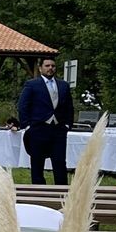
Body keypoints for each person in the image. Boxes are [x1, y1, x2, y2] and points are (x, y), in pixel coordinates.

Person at [16, 54, 73, 184]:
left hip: (58, 130)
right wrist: (27, 126)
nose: (50, 68)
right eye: (47, 66)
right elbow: (23, 105)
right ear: (40, 68)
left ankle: (62, 191)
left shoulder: (63, 85)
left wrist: (67, 125)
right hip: (38, 129)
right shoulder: (32, 84)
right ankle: (38, 191)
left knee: (59, 162)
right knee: (37, 162)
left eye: (53, 66)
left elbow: (69, 106)